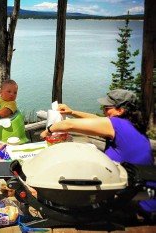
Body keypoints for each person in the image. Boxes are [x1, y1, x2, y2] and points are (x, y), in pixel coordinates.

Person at [40, 89, 155, 221]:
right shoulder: (129, 124)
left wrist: (48, 130)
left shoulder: (116, 124)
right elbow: (98, 120)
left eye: (107, 108)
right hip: (135, 188)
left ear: (120, 110)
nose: (104, 110)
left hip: (138, 201)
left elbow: (68, 124)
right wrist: (72, 112)